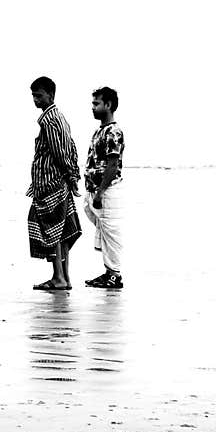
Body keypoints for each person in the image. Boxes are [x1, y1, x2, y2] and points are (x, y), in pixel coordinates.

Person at [26, 76, 82, 290]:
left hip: (50, 183)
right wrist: (73, 176)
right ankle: (64, 277)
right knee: (62, 230)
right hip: (59, 183)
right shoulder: (61, 118)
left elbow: (60, 152)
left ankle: (59, 277)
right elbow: (72, 148)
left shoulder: (49, 120)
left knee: (51, 230)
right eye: (33, 96)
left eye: (38, 95)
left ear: (50, 95)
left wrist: (70, 175)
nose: (35, 100)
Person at [83, 87, 125, 289]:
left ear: (108, 105)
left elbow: (112, 165)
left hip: (108, 190)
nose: (93, 107)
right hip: (96, 189)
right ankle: (109, 271)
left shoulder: (113, 132)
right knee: (103, 226)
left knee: (111, 230)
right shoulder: (100, 131)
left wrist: (100, 192)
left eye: (96, 103)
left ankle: (114, 274)